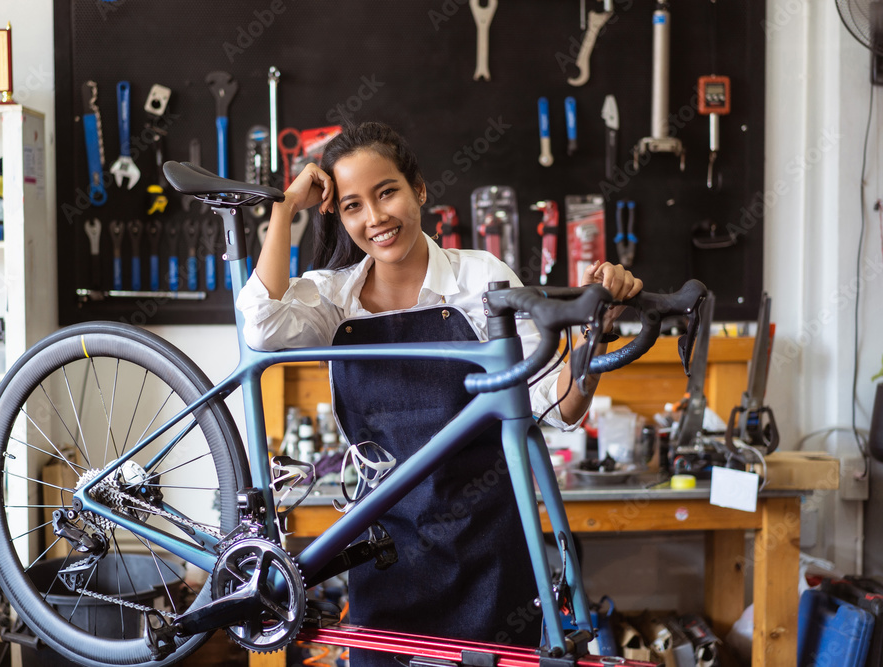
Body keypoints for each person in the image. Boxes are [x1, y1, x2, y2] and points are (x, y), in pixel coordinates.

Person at [236, 122, 641, 661]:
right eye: (353, 205)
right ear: (339, 214)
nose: (376, 218)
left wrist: (594, 333)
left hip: (486, 547)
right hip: (383, 552)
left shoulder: (481, 280)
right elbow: (260, 326)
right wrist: (287, 206)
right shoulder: (335, 300)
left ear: (419, 189)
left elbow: (558, 404)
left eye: (387, 193)